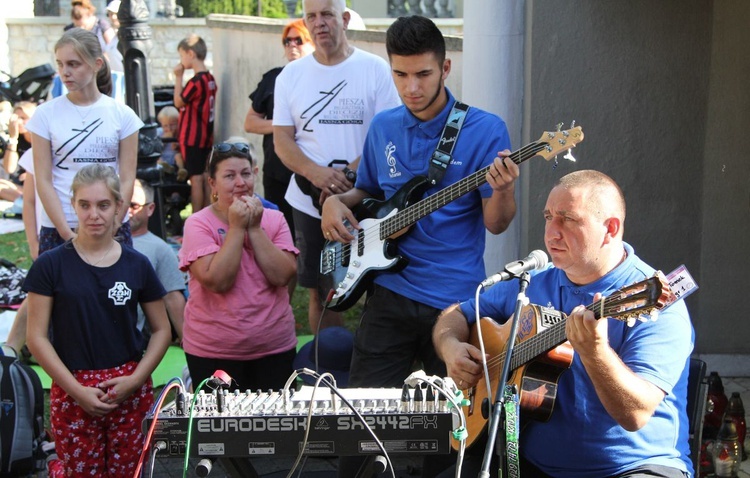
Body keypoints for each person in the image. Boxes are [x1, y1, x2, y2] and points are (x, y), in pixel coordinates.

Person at [321, 15, 518, 476]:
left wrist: (504, 189)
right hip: (389, 292)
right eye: (400, 74)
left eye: (423, 74)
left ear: (446, 69)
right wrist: (333, 203)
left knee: (445, 435)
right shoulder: (384, 127)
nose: (411, 87)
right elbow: (366, 193)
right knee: (361, 423)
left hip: (452, 305)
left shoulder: (485, 130)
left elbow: (497, 225)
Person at [433, 170, 694, 477]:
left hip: (632, 467)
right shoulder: (531, 284)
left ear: (610, 229)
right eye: (548, 217)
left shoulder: (657, 306)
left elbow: (635, 414)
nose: (551, 233)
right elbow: (457, 314)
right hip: (529, 463)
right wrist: (451, 347)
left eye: (568, 219)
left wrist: (596, 352)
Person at [23, 164, 171, 477]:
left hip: (128, 388)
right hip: (72, 386)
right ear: (73, 205)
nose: (94, 214)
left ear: (119, 206)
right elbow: (35, 337)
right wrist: (76, 390)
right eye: (85, 205)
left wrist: (135, 379)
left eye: (103, 205)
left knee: (128, 472)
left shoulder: (137, 264)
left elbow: (161, 330)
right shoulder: (51, 265)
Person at [273, 0, 401, 332]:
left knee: (379, 286)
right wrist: (318, 175)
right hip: (309, 200)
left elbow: (388, 133)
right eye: (311, 16)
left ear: (344, 19)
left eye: (327, 14)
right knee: (322, 290)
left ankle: (372, 360)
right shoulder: (290, 75)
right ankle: (329, 361)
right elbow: (282, 140)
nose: (319, 23)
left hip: (368, 198)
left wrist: (347, 176)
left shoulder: (375, 69)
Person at [178, 142, 298, 391]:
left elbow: (283, 275)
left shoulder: (275, 219)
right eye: (229, 176)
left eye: (245, 173)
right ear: (213, 184)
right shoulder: (198, 224)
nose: (240, 182)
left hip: (274, 347)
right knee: (219, 427)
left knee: (273, 426)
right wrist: (236, 228)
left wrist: (254, 228)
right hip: (213, 350)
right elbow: (217, 281)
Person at [28, 27, 141, 253]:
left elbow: (127, 178)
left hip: (109, 224)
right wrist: (65, 231)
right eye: (60, 64)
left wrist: (115, 222)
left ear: (97, 64)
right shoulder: (44, 114)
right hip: (61, 223)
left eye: (73, 64)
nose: (65, 72)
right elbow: (43, 180)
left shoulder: (123, 114)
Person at [244, 18, 315, 242]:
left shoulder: (323, 79)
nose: (292, 45)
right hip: (277, 171)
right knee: (280, 232)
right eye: (287, 41)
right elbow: (250, 122)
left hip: (314, 171)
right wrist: (283, 126)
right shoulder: (274, 78)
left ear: (312, 42)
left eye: (298, 40)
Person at [130, 179, 186, 342]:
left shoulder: (159, 248)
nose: (126, 210)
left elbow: (173, 297)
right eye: (121, 203)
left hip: (136, 339)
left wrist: (188, 346)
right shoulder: (98, 242)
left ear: (150, 208)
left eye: (133, 205)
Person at [173, 34, 217, 213]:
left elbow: (178, 102)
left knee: (196, 179)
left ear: (190, 54)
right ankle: (209, 214)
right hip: (206, 136)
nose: (181, 60)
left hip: (193, 138)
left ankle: (196, 218)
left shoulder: (196, 82)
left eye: (182, 55)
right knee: (206, 177)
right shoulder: (210, 79)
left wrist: (178, 77)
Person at [64, 0, 123, 73]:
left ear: (89, 16)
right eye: (78, 26)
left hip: (103, 69)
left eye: (83, 25)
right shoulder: (69, 30)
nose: (81, 28)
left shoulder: (102, 26)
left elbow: (113, 49)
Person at [0, 101, 36, 204]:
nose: (19, 122)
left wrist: (30, 174)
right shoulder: (17, 139)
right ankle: (22, 201)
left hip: (36, 185)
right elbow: (9, 168)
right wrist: (13, 139)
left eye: (23, 118)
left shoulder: (40, 139)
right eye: (17, 118)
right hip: (19, 185)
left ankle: (25, 202)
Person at [156, 105, 188, 181]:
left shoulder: (180, 132)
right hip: (163, 158)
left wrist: (178, 146)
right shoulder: (159, 132)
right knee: (158, 159)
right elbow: (156, 148)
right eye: (165, 126)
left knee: (178, 156)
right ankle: (165, 167)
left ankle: (181, 170)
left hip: (175, 158)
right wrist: (165, 139)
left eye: (172, 125)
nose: (169, 128)